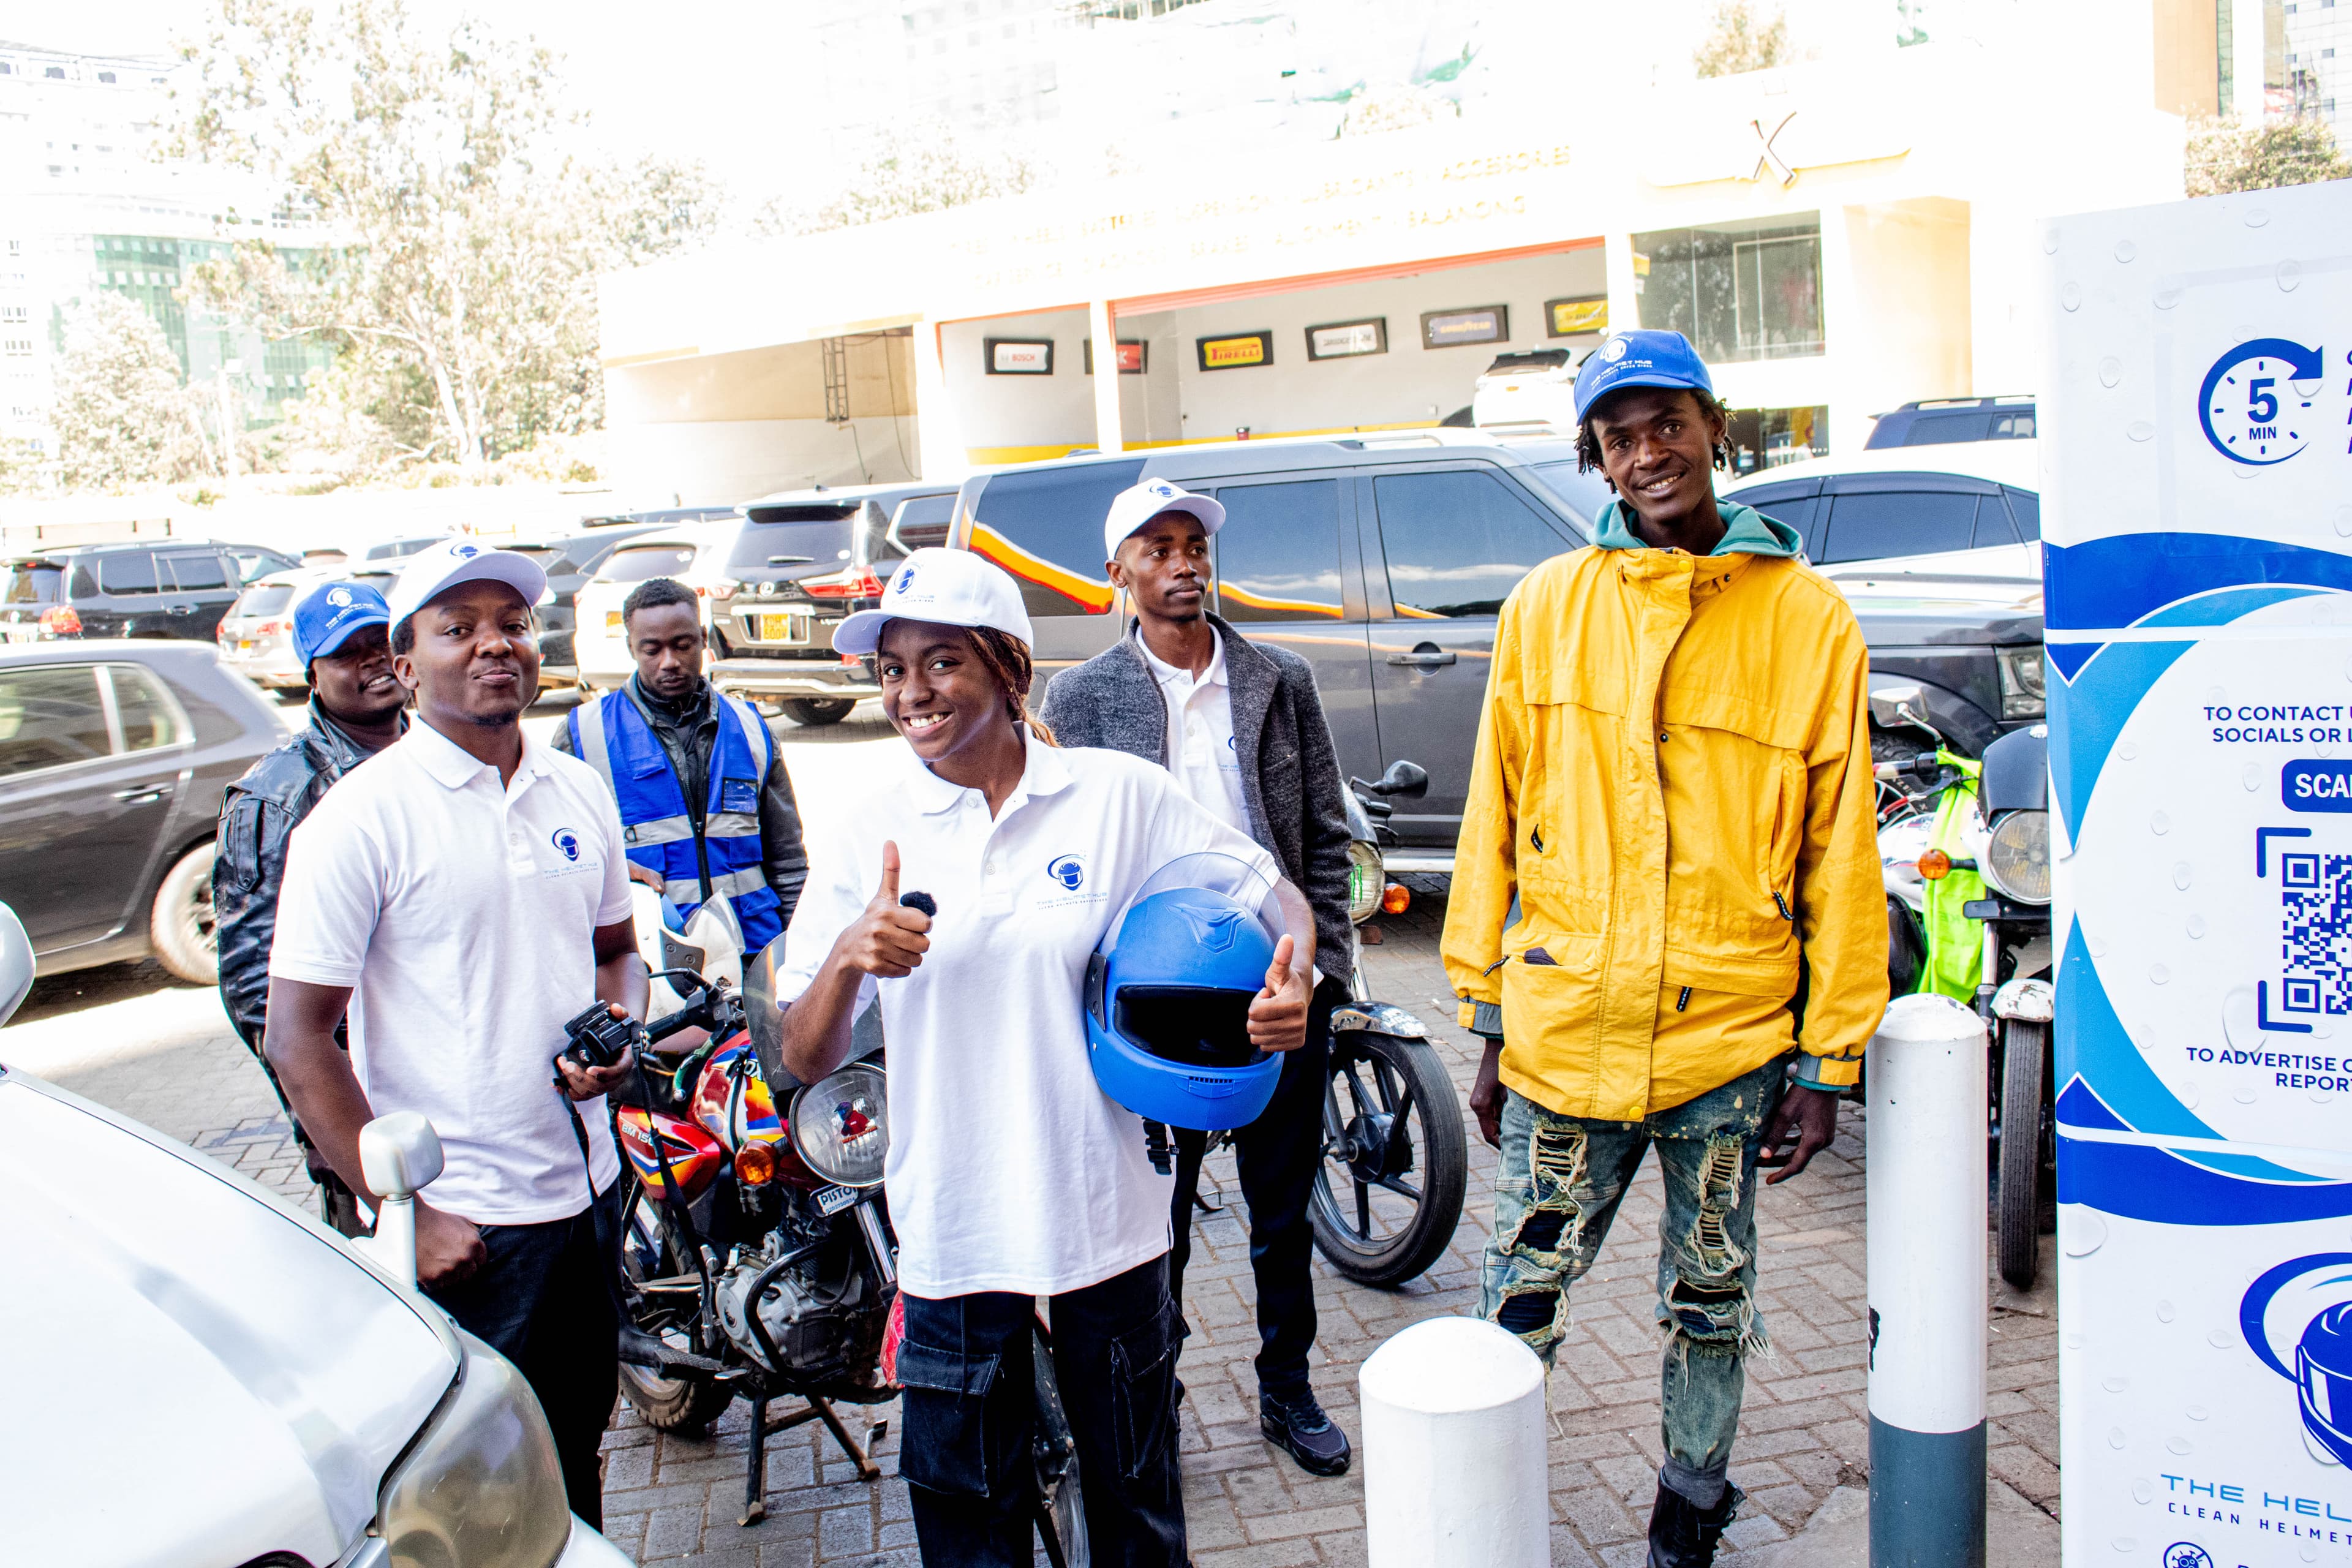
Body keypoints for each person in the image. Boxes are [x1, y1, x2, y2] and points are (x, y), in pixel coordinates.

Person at [772, 546, 1321, 1567]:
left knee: (1140, 1519)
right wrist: (850, 958)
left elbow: (1262, 886)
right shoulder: (869, 829)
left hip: (1102, 1219)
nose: (911, 693)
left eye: (941, 662)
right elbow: (805, 1054)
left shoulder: (1115, 798)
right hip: (953, 1232)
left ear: (1009, 667)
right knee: (970, 1531)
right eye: (892, 669)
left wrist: (1296, 972)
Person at [1442, 331, 1887, 1568]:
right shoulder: (1547, 606)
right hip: (1566, 1030)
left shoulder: (1807, 620)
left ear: (1715, 428)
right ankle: (1474, 1500)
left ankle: (1690, 1505)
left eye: (1668, 424)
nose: (1650, 453)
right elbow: (1498, 815)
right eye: (1620, 435)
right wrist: (1483, 1017)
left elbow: (1840, 854)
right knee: (1520, 1288)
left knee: (1711, 1297)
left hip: (1727, 1044)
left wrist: (1828, 1063)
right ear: (1595, 455)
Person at [263, 540, 647, 1529]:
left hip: (589, 1193)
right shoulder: (358, 822)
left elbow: (617, 951)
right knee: (477, 1490)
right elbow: (299, 1038)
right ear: (404, 665)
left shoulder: (576, 791)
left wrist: (619, 1031)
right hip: (468, 1225)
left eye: (511, 625)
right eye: (458, 628)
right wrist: (406, 1208)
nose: (494, 646)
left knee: (576, 1443)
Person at [1038, 478, 1357, 1476]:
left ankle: (1287, 1389)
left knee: (1280, 1206)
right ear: (1117, 573)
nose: (1183, 564)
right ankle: (1152, 1402)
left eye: (1194, 546)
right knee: (1156, 1224)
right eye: (1157, 548)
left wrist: (1325, 978)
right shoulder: (1081, 697)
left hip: (1271, 982)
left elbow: (1323, 836)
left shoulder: (1278, 678)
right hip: (1153, 996)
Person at [214, 578, 409, 1235]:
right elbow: (254, 991)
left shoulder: (445, 755)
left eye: (380, 642)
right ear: (312, 676)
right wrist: (333, 1124)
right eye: (348, 653)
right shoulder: (277, 797)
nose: (374, 661)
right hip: (366, 1110)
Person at [553, 576, 807, 949]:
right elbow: (558, 863)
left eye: (683, 645)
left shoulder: (752, 727)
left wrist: (799, 951)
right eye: (651, 649)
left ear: (704, 639)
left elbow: (788, 862)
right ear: (630, 647)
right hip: (652, 963)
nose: (669, 662)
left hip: (757, 954)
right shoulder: (582, 735)